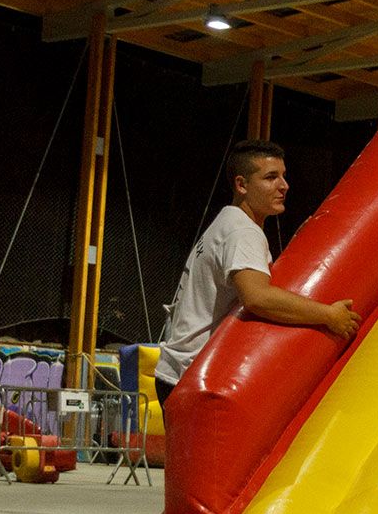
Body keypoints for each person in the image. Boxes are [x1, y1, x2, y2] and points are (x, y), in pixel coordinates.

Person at [154, 140, 360, 406]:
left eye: (283, 176)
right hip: (195, 377)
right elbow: (257, 297)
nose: (284, 185)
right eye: (270, 177)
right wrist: (328, 315)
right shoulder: (243, 231)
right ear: (242, 185)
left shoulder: (228, 221)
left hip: (180, 373)